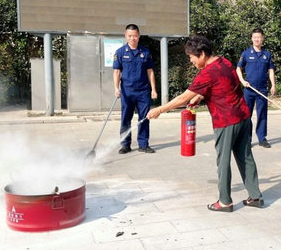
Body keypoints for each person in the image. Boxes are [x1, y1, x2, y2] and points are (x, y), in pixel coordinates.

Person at [147, 35, 264, 212]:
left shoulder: (207, 72)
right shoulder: (224, 62)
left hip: (225, 121)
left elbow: (182, 98)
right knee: (245, 156)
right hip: (243, 116)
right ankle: (255, 196)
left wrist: (160, 110)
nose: (191, 61)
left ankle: (225, 201)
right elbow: (222, 88)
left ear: (201, 54)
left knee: (223, 161)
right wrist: (200, 97)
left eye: (192, 57)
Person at [113, 24, 157, 154]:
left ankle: (143, 144)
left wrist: (153, 89)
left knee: (144, 118)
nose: (133, 38)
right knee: (126, 118)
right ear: (126, 36)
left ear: (139, 36)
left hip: (143, 91)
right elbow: (116, 72)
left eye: (135, 36)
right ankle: (125, 145)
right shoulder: (120, 52)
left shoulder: (145, 52)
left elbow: (150, 72)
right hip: (127, 91)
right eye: (130, 36)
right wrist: (116, 88)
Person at [236, 28, 275, 148]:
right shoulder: (246, 53)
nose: (257, 39)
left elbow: (271, 70)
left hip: (262, 89)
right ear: (252, 39)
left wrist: (273, 84)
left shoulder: (267, 54)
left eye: (259, 37)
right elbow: (238, 69)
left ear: (262, 38)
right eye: (254, 37)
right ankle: (246, 139)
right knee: (246, 115)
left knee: (262, 114)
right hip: (249, 90)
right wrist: (242, 81)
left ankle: (262, 138)